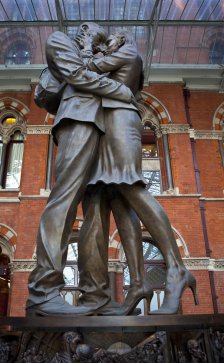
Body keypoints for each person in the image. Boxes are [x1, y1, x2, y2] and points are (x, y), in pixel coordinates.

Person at [77, 31, 199, 315]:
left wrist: (85, 46)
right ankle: (139, 284)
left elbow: (87, 70)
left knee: (132, 187)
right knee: (119, 199)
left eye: (105, 43)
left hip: (121, 122)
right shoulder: (119, 56)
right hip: (109, 125)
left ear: (120, 40)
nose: (102, 48)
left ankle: (177, 269)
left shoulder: (129, 52)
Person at [26, 23, 135, 316]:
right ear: (82, 30)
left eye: (99, 42)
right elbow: (77, 76)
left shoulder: (94, 58)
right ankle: (43, 291)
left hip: (102, 130)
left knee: (97, 215)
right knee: (63, 200)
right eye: (92, 36)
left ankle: (95, 296)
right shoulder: (59, 41)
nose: (93, 43)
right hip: (77, 121)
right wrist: (119, 90)